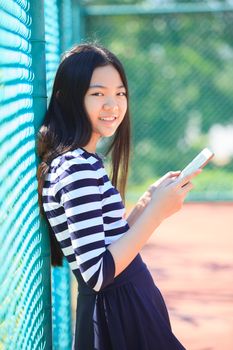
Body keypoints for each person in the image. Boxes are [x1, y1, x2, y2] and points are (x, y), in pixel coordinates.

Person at [37, 43, 200, 350]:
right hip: (118, 313)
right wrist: (156, 215)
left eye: (120, 93)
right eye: (98, 93)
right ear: (67, 98)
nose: (113, 104)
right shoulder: (76, 168)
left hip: (120, 308)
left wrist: (145, 204)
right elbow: (97, 273)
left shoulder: (82, 163)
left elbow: (105, 241)